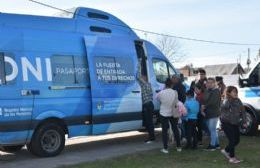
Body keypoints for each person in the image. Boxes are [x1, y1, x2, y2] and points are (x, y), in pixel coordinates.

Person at [220, 86, 247, 164]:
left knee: (237, 140)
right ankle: (232, 158)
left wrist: (244, 121)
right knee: (232, 140)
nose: (235, 93)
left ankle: (225, 150)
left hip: (235, 123)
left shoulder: (238, 100)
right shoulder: (226, 100)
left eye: (236, 91)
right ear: (228, 93)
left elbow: (243, 111)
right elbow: (225, 106)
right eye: (233, 92)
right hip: (226, 123)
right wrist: (229, 98)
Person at [157, 78, 181, 154]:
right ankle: (178, 146)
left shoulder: (161, 93)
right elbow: (177, 101)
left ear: (165, 84)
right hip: (173, 112)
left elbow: (159, 100)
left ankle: (165, 148)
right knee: (175, 129)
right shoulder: (175, 92)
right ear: (172, 85)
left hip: (163, 113)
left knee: (164, 131)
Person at [137, 59, 155, 143]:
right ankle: (151, 137)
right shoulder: (146, 84)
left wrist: (139, 63)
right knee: (149, 122)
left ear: (145, 78)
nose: (141, 78)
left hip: (147, 105)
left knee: (149, 122)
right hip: (149, 105)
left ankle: (151, 138)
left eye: (143, 77)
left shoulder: (145, 84)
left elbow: (137, 76)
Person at [202, 77, 221, 151]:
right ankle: (217, 144)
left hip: (214, 113)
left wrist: (204, 106)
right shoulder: (207, 90)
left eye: (211, 83)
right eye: (208, 82)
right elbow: (204, 99)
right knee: (212, 130)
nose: (209, 84)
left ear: (214, 83)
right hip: (208, 113)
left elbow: (212, 102)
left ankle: (212, 146)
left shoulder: (216, 91)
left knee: (212, 129)